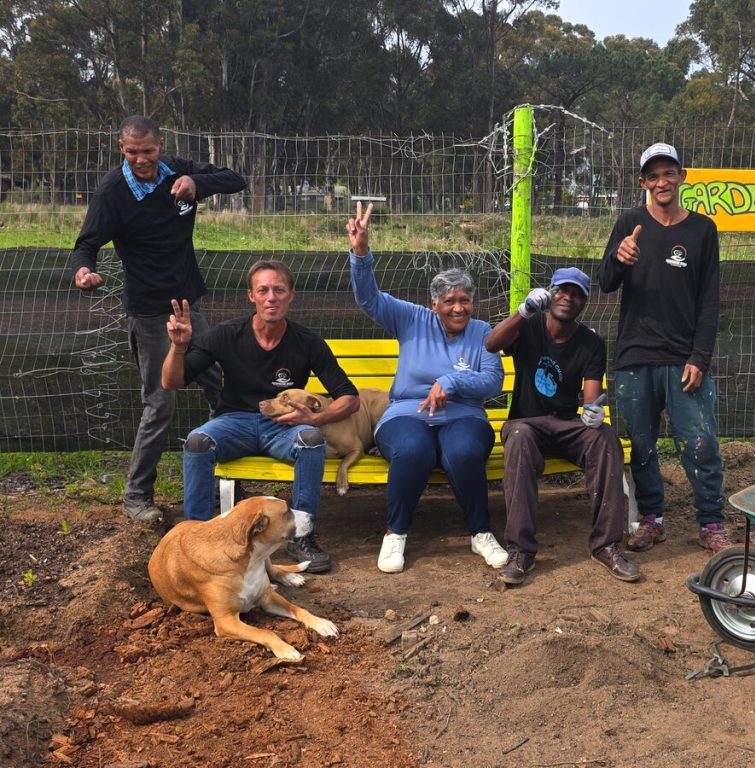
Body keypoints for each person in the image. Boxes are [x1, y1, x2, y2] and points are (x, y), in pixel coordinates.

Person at [69, 115, 247, 524]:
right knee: (159, 402)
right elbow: (87, 243)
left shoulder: (177, 171)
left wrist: (197, 184)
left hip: (188, 305)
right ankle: (137, 496)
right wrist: (83, 271)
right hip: (149, 313)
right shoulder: (113, 191)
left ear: (160, 146)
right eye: (132, 152)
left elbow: (234, 178)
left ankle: (232, 481)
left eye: (147, 151)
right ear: (121, 149)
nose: (141, 159)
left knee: (221, 386)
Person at [161, 260, 359, 573]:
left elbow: (350, 398)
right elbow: (171, 381)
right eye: (263, 290)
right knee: (198, 442)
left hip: (283, 427)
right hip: (234, 422)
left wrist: (314, 419)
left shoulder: (307, 342)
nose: (271, 297)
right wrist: (178, 346)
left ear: (291, 295)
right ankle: (196, 537)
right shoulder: (226, 335)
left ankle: (302, 536)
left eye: (279, 290)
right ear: (251, 296)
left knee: (310, 439)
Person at [347, 203, 508, 574]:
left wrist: (450, 382)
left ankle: (480, 533)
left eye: (464, 300)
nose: (457, 308)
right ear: (432, 304)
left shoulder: (483, 331)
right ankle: (396, 534)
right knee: (412, 449)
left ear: (473, 303)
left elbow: (492, 381)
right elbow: (368, 299)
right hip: (407, 413)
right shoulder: (411, 319)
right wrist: (360, 253)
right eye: (448, 301)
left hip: (464, 416)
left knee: (465, 450)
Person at [597, 142, 730, 555]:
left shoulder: (702, 230)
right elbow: (604, 281)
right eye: (652, 176)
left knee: (701, 444)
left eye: (668, 173)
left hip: (683, 359)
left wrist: (699, 357)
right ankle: (652, 518)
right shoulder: (630, 222)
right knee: (642, 446)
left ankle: (711, 521)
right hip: (636, 356)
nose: (661, 182)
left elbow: (709, 300)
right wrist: (619, 258)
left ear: (682, 176)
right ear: (643, 183)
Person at [485, 268, 640, 585]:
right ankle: (521, 552)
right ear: (551, 293)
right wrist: (522, 311)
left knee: (604, 436)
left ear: (584, 302)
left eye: (577, 294)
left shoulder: (591, 342)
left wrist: (593, 411)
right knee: (519, 436)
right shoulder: (528, 327)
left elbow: (592, 394)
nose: (568, 298)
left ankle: (606, 545)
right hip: (525, 424)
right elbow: (491, 343)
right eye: (562, 290)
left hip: (566, 425)